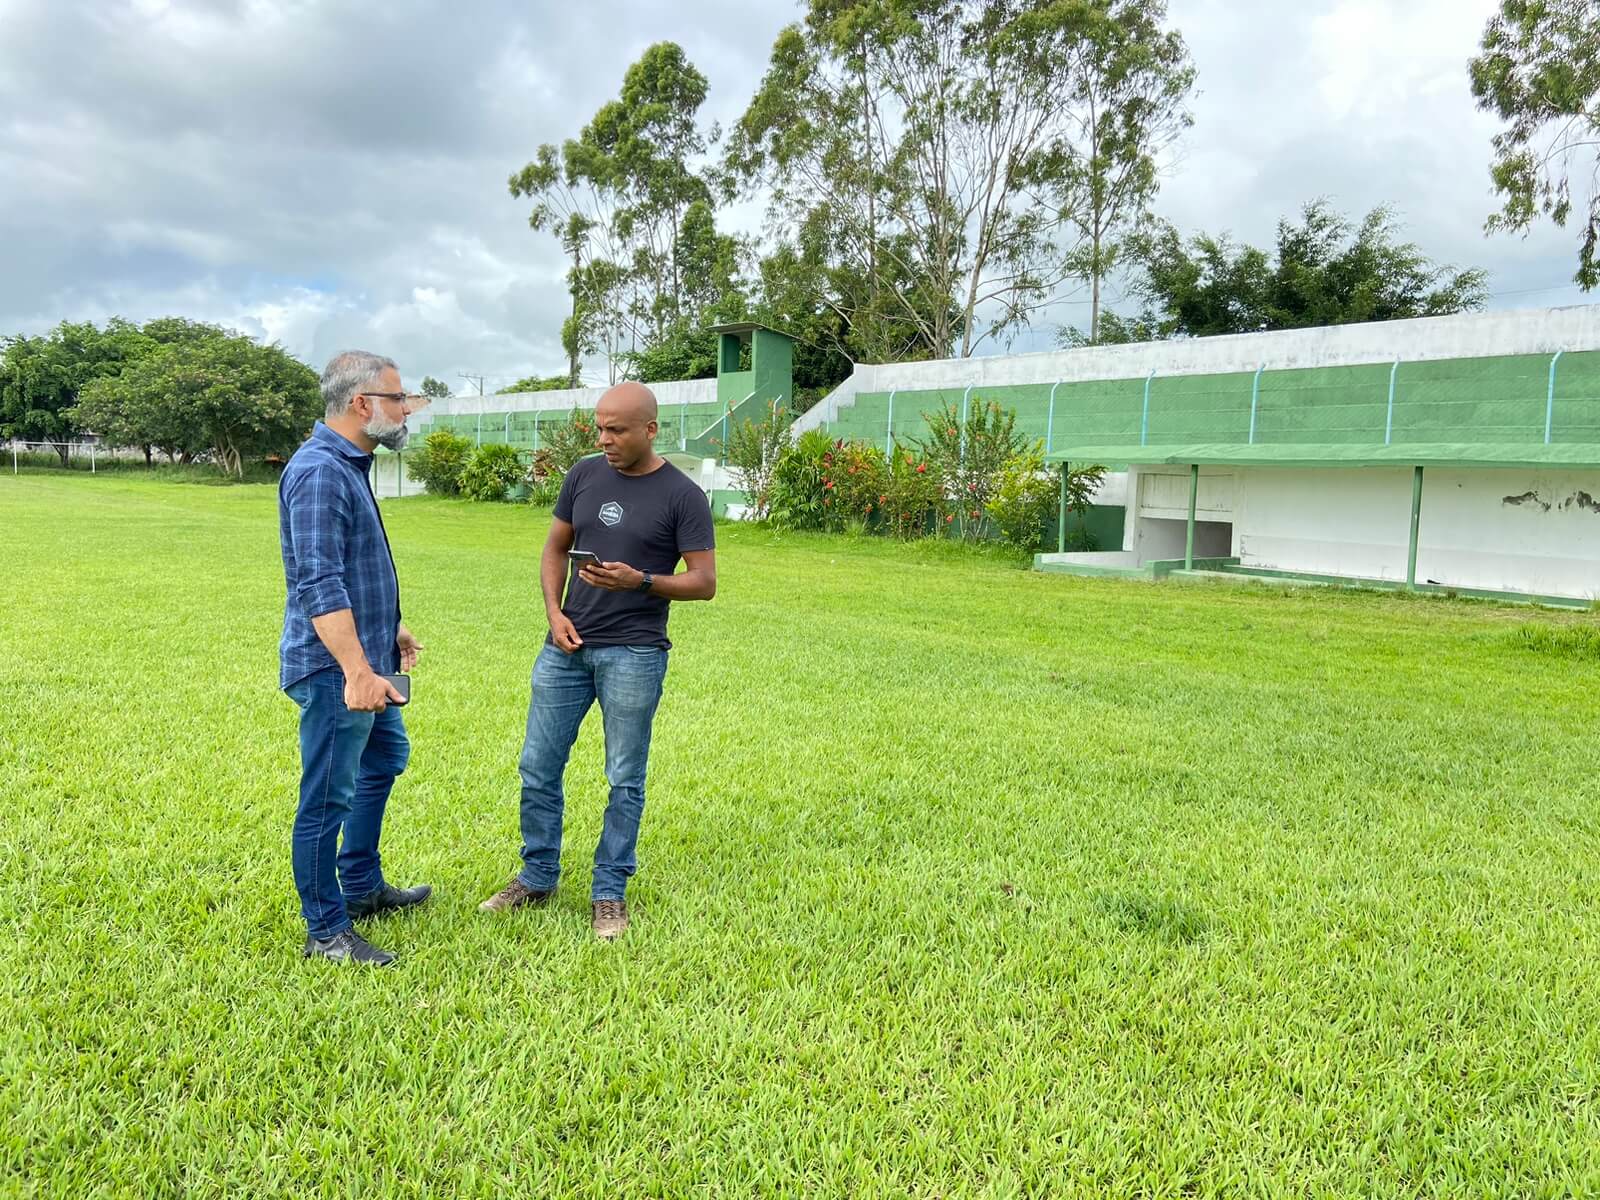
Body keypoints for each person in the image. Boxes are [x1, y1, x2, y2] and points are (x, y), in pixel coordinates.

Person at [480, 381, 716, 939]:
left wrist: (642, 581)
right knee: (538, 767)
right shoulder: (583, 475)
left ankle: (609, 891)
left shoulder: (683, 495)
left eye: (616, 430)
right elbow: (555, 548)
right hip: (566, 647)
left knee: (624, 778)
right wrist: (553, 613)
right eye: (600, 428)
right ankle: (537, 877)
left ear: (650, 430)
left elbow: (704, 582)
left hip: (634, 653)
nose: (604, 439)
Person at [279, 350, 430, 966]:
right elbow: (319, 583)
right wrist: (356, 671)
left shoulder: (349, 464)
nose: (406, 410)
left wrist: (391, 628)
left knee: (386, 757)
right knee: (327, 795)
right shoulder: (321, 471)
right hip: (336, 668)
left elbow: (352, 567)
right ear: (362, 404)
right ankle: (326, 932)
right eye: (398, 399)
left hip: (368, 653)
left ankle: (362, 884)